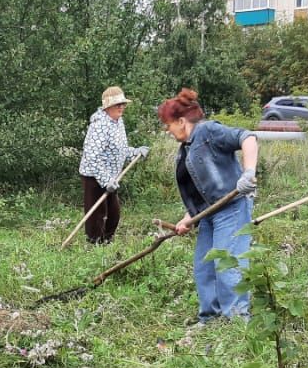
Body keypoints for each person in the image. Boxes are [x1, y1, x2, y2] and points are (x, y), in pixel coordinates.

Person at [157, 88, 259, 321]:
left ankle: (237, 322)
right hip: (208, 214)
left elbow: (248, 137)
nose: (167, 131)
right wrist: (187, 218)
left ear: (181, 121)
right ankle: (210, 318)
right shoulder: (186, 149)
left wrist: (249, 172)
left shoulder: (208, 131)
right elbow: (200, 190)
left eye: (168, 125)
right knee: (204, 268)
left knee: (227, 266)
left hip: (232, 208)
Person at [77, 85, 149, 245]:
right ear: (108, 106)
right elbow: (92, 156)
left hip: (111, 177)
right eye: (118, 104)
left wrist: (135, 152)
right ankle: (94, 246)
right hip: (94, 177)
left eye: (123, 104)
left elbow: (120, 149)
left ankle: (107, 242)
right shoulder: (99, 126)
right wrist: (105, 180)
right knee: (96, 214)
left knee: (113, 214)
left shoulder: (118, 122)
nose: (122, 107)